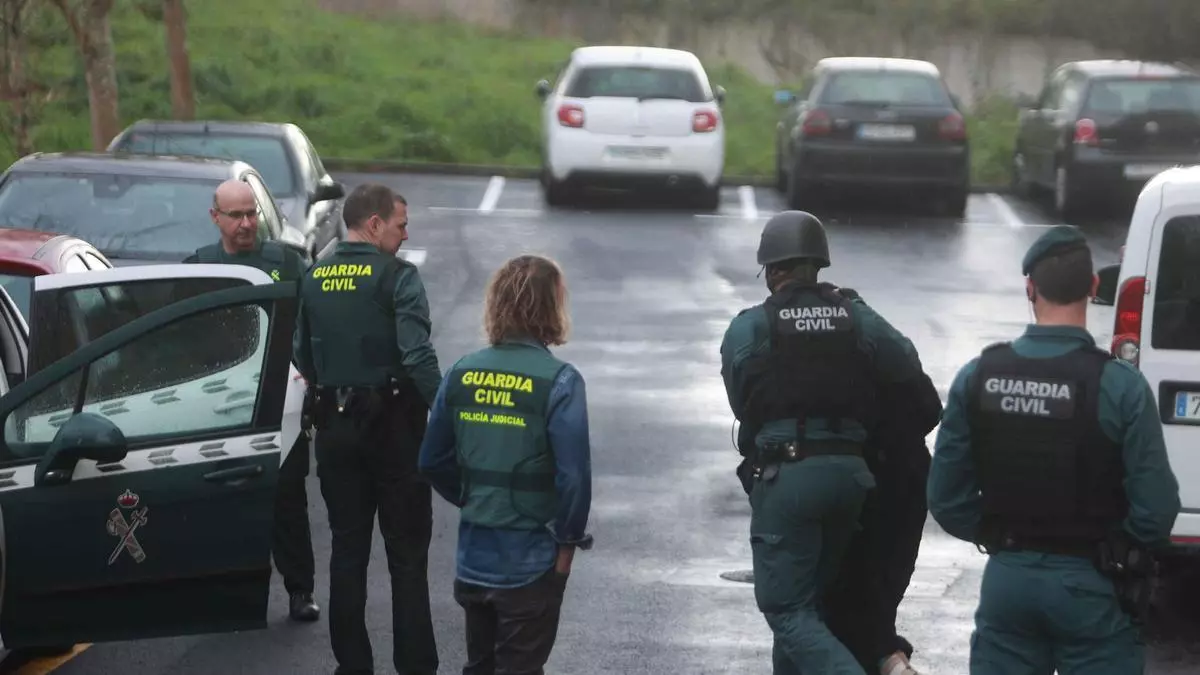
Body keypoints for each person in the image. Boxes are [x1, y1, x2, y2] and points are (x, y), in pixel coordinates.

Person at [927, 225, 1182, 674]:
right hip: (1094, 585)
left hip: (1008, 581)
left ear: (1030, 288)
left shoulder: (978, 376)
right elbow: (1157, 508)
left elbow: (947, 498)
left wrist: (999, 536)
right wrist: (1117, 548)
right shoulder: (1119, 386)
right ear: (1094, 287)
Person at [720, 210, 932, 675]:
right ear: (818, 264)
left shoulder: (752, 325)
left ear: (773, 270)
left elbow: (741, 402)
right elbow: (907, 367)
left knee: (788, 612)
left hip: (788, 477)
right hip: (852, 478)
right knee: (811, 609)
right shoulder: (856, 316)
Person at [292, 182, 443, 675]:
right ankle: (415, 665)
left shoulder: (314, 277)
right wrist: (445, 412)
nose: (405, 234)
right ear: (374, 224)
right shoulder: (397, 277)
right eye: (400, 225)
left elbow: (301, 353)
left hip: (336, 427)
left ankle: (352, 665)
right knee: (406, 554)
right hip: (395, 428)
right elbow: (417, 354)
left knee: (347, 549)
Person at [418, 254, 593, 675]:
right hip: (529, 561)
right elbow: (573, 477)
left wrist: (476, 496)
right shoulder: (560, 381)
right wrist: (565, 549)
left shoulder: (462, 373)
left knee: (480, 665)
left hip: (474, 559)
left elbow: (431, 459)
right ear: (552, 307)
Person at [185, 178, 319, 623]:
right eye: (235, 215)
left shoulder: (285, 262)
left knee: (287, 499)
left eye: (251, 214)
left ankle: (300, 590)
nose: (245, 224)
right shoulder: (199, 268)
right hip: (221, 404)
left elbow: (309, 328)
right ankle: (230, 594)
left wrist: (308, 383)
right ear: (215, 217)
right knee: (223, 500)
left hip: (281, 401)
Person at [821, 291, 942, 675]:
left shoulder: (828, 368)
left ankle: (889, 659)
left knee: (842, 601)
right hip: (909, 481)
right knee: (879, 597)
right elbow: (930, 410)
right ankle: (890, 657)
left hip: (867, 485)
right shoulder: (892, 353)